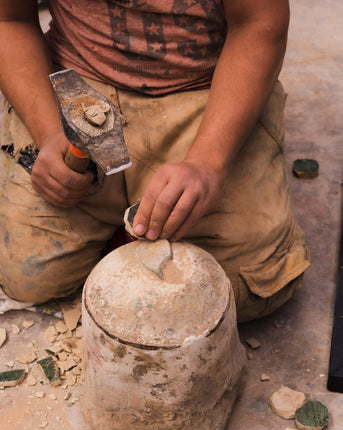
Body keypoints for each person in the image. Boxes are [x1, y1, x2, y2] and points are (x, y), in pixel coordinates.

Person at [0, 0, 310, 321]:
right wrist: (48, 132)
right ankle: (120, 230)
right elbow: (9, 19)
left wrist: (208, 163)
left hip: (207, 85)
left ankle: (125, 226)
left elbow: (258, 24)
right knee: (29, 276)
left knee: (239, 290)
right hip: (79, 82)